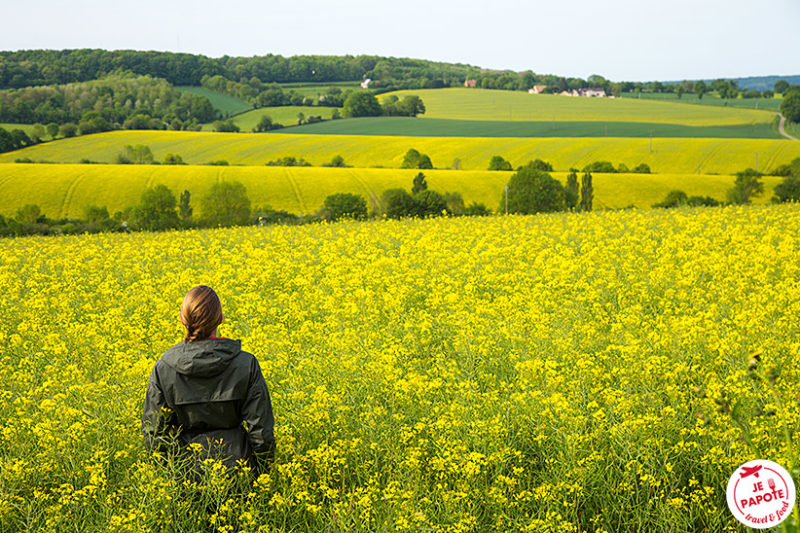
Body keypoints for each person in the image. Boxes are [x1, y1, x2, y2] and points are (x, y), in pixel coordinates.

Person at [142, 285, 275, 477]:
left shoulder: (164, 368)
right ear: (220, 319)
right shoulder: (246, 364)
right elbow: (261, 433)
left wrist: (168, 480)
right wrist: (262, 476)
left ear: (182, 320)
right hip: (239, 476)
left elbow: (155, 435)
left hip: (183, 479)